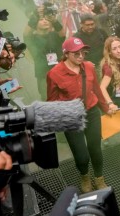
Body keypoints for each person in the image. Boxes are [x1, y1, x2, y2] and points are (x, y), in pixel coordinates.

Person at [47, 37, 110, 192]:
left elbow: (96, 89)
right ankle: (84, 176)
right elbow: (52, 100)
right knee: (81, 154)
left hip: (92, 111)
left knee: (95, 148)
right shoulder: (54, 74)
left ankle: (99, 177)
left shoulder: (88, 67)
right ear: (66, 54)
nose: (81, 56)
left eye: (83, 52)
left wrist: (106, 108)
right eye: (76, 53)